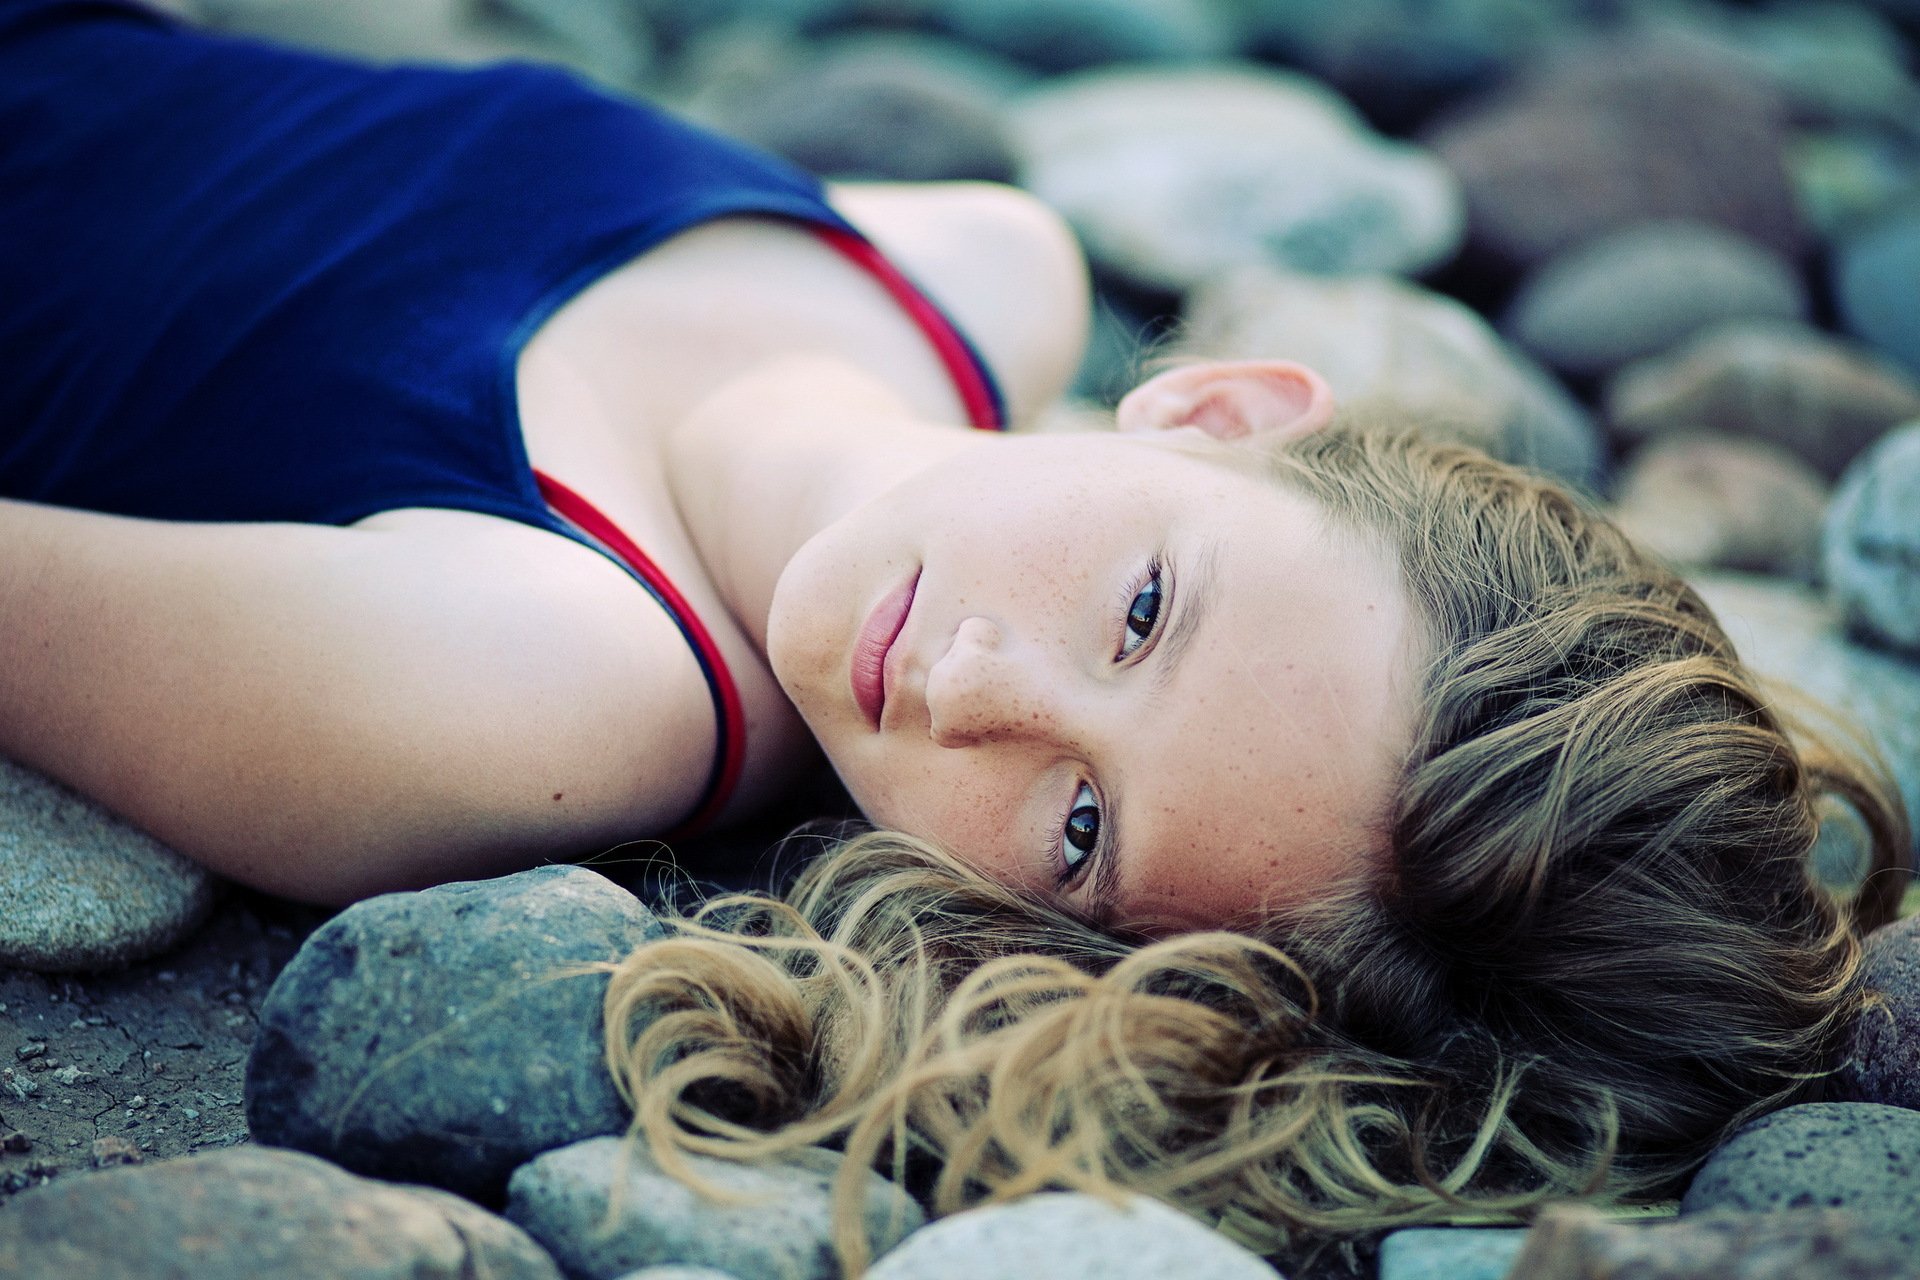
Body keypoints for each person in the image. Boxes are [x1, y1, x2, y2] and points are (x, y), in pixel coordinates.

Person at [1, 0, 1909, 1269]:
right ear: (1218, 413)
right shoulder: (983, 268)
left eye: (1082, 832)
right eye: (1145, 611)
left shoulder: (528, 690)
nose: (981, 691)